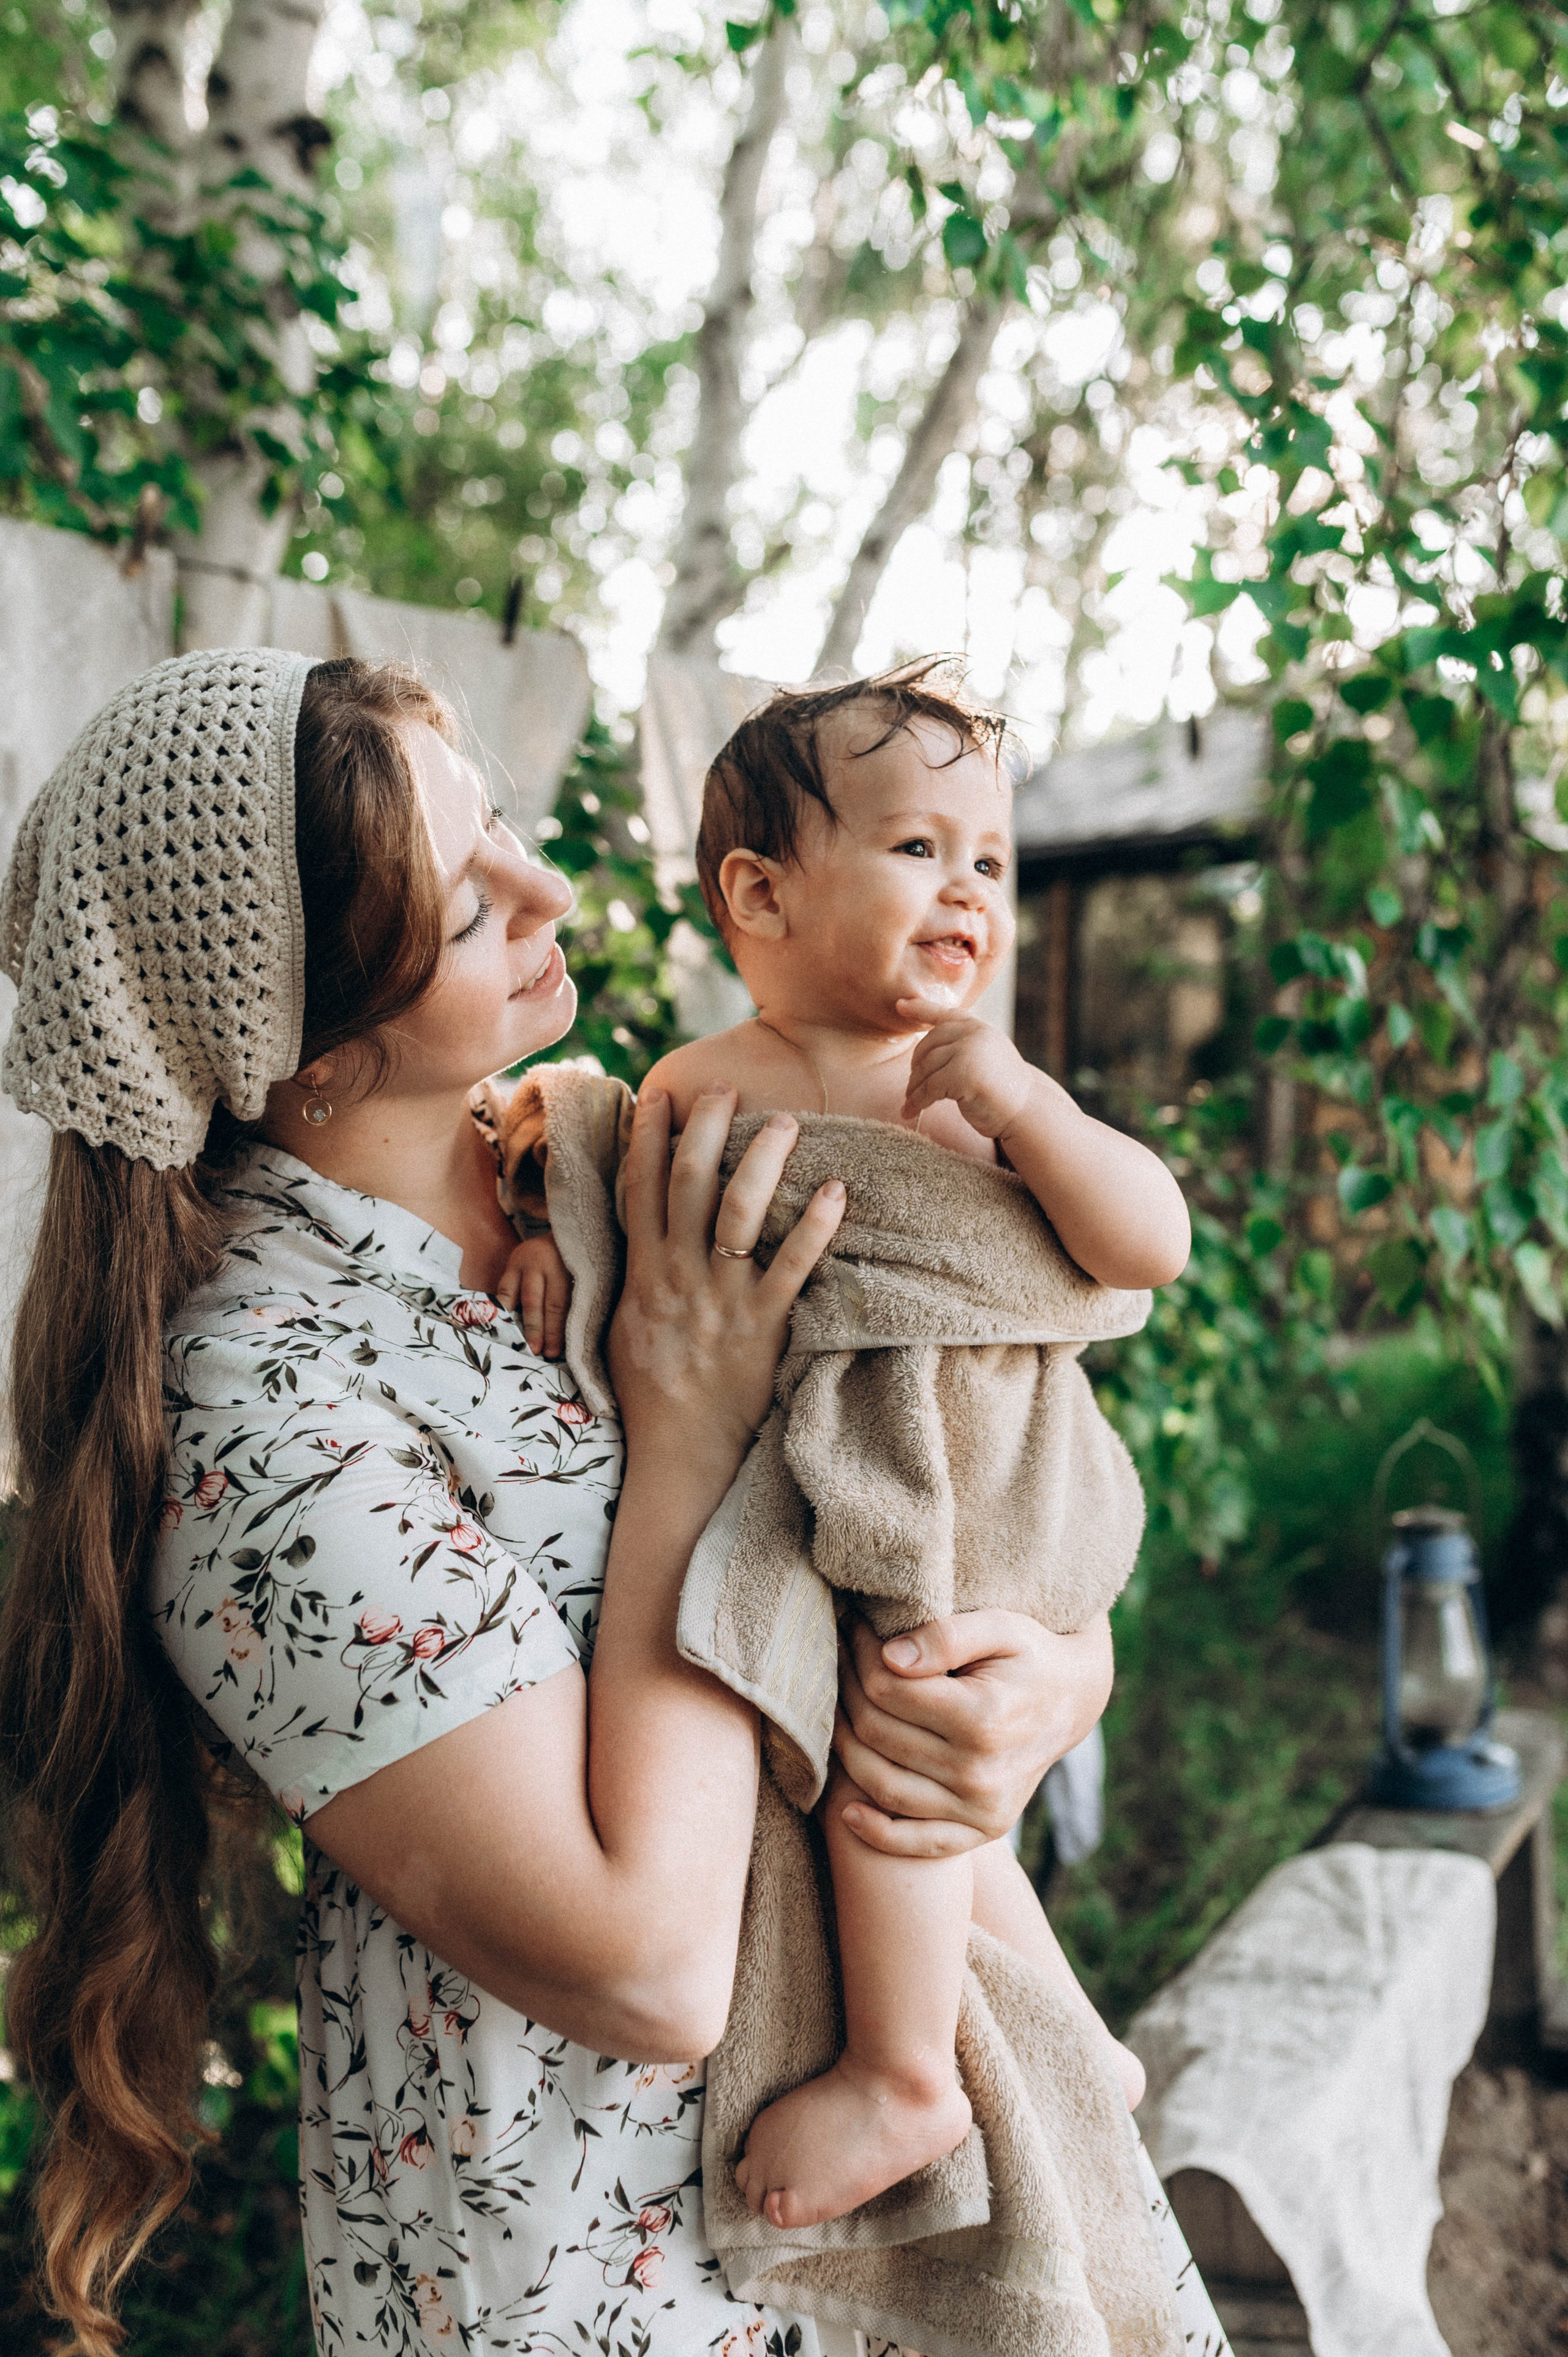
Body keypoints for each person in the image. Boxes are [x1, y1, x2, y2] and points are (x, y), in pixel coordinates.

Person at [0, 649, 1143, 2357]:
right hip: (622, 2259)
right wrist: (684, 1430)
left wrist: (1051, 1677)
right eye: (464, 910)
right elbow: (646, 1969)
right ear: (306, 1046)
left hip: (947, 2172)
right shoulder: (263, 1421)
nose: (548, 887)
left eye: (505, 830)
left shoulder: (598, 1165)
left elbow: (941, 1432)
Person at [496, 661, 1191, 2239]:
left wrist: (1028, 1112)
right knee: (888, 1771)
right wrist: (548, 1229)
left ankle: (904, 2068)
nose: (970, 892)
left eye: (991, 862)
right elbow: (616, 1205)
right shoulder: (696, 1084)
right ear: (761, 892)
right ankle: (1069, 2031)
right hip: (822, 1479)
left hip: (975, 1477)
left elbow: (1145, 1246)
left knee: (896, 1763)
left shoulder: (975, 1090)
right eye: (919, 849)